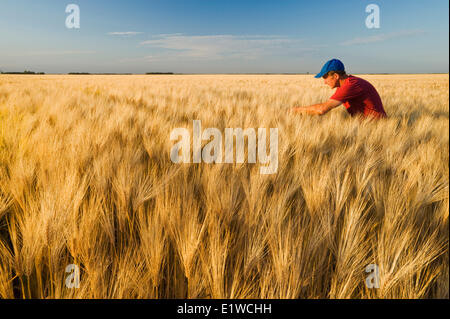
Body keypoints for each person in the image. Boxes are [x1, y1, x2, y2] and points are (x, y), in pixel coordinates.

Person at [291, 59, 387, 119]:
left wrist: (294, 110)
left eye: (325, 78)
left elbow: (322, 110)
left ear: (336, 76)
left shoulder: (350, 85)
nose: (324, 82)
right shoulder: (348, 84)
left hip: (375, 127)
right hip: (366, 126)